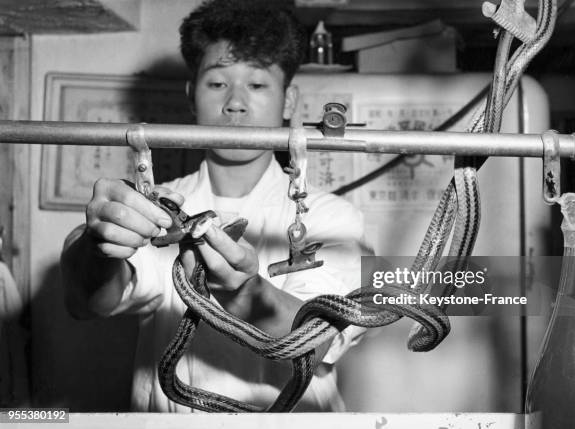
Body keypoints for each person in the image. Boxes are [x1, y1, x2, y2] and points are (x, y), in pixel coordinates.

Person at [60, 0, 370, 412]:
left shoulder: (334, 217)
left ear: (289, 101)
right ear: (192, 95)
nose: (235, 104)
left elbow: (318, 343)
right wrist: (96, 243)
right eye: (217, 83)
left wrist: (243, 291)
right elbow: (87, 303)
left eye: (257, 85)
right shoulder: (157, 205)